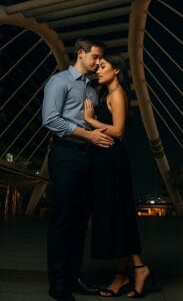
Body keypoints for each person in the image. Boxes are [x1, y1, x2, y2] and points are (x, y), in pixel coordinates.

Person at [41, 36, 115, 301]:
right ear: (81, 54)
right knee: (62, 220)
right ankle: (58, 284)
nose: (98, 62)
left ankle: (74, 278)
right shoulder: (59, 81)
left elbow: (93, 125)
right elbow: (50, 119)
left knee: (81, 222)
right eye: (95, 56)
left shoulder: (92, 91)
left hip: (89, 157)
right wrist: (88, 136)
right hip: (66, 154)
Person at [83, 53, 155, 298]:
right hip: (106, 161)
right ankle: (125, 273)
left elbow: (118, 130)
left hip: (113, 161)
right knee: (117, 215)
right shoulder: (108, 95)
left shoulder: (117, 95)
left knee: (120, 214)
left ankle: (136, 268)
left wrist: (90, 120)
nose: (98, 70)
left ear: (116, 71)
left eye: (103, 66)